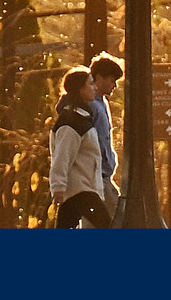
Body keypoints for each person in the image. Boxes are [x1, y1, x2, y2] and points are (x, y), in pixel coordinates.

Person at [49, 66, 112, 228]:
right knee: (105, 224)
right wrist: (58, 187)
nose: (95, 87)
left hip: (81, 187)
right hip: (79, 189)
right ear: (80, 89)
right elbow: (62, 156)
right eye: (90, 84)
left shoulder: (82, 118)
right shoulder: (72, 122)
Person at [89, 53, 123, 218]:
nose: (114, 85)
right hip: (97, 176)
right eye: (112, 80)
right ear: (99, 78)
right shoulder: (92, 105)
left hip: (102, 175)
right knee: (118, 217)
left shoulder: (102, 103)